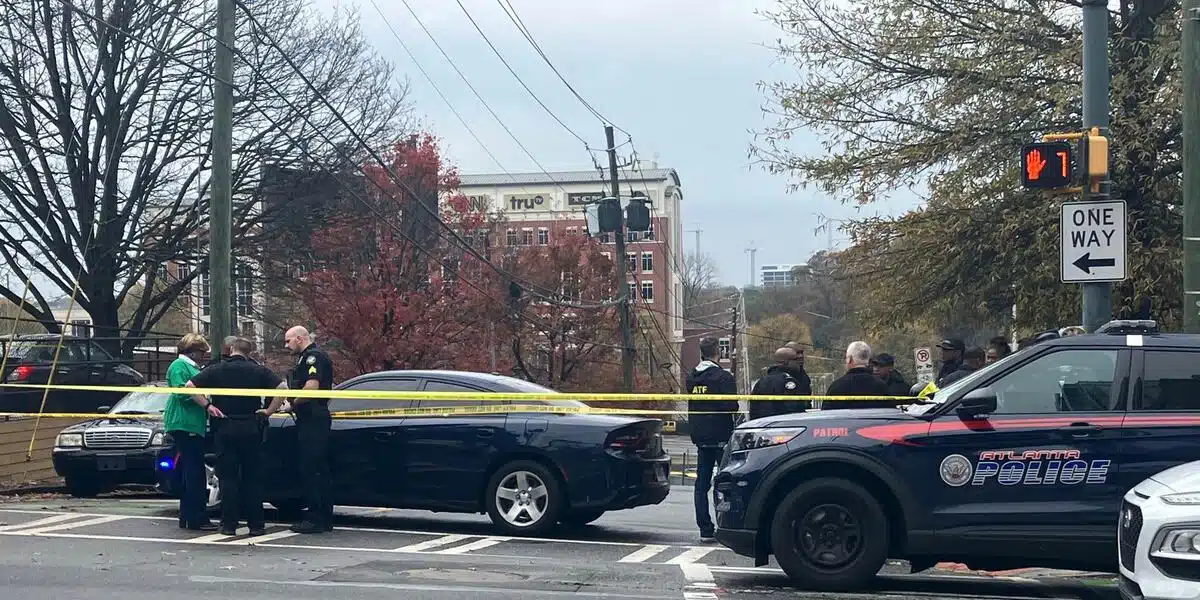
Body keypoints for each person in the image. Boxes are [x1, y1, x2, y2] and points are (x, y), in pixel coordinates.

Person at [185, 337, 287, 536]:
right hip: (251, 426)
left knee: (228, 477)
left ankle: (228, 524)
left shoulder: (217, 369)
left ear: (231, 349)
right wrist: (268, 411)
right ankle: (256, 525)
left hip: (225, 426)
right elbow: (282, 388)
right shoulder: (258, 370)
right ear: (249, 352)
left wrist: (208, 406)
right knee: (253, 477)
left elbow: (189, 386)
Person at [684, 337, 738, 543]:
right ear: (717, 351)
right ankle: (729, 525)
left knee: (701, 484)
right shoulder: (723, 377)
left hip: (701, 436)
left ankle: (705, 528)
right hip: (721, 436)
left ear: (701, 352)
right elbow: (732, 406)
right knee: (726, 483)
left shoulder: (692, 378)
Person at [163, 333, 218, 531]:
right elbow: (182, 393)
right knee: (194, 472)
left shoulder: (191, 367)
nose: (204, 356)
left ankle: (188, 515)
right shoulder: (179, 366)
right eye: (202, 352)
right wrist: (205, 401)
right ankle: (197, 516)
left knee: (191, 470)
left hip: (192, 423)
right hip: (184, 422)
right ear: (193, 351)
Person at [284, 325, 335, 534]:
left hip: (313, 417)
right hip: (312, 418)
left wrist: (292, 403)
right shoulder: (307, 357)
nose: (286, 345)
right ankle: (322, 516)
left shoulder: (312, 358)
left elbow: (311, 388)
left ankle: (317, 518)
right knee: (318, 469)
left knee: (312, 469)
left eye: (288, 341)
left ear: (299, 338)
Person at [824, 341, 891, 409]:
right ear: (868, 360)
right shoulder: (881, 387)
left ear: (849, 360)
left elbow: (826, 415)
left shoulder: (836, 387)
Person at [749, 348, 810, 420]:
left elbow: (754, 408)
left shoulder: (762, 381)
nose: (799, 363)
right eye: (795, 360)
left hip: (762, 424)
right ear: (786, 361)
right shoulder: (788, 381)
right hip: (783, 425)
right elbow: (793, 408)